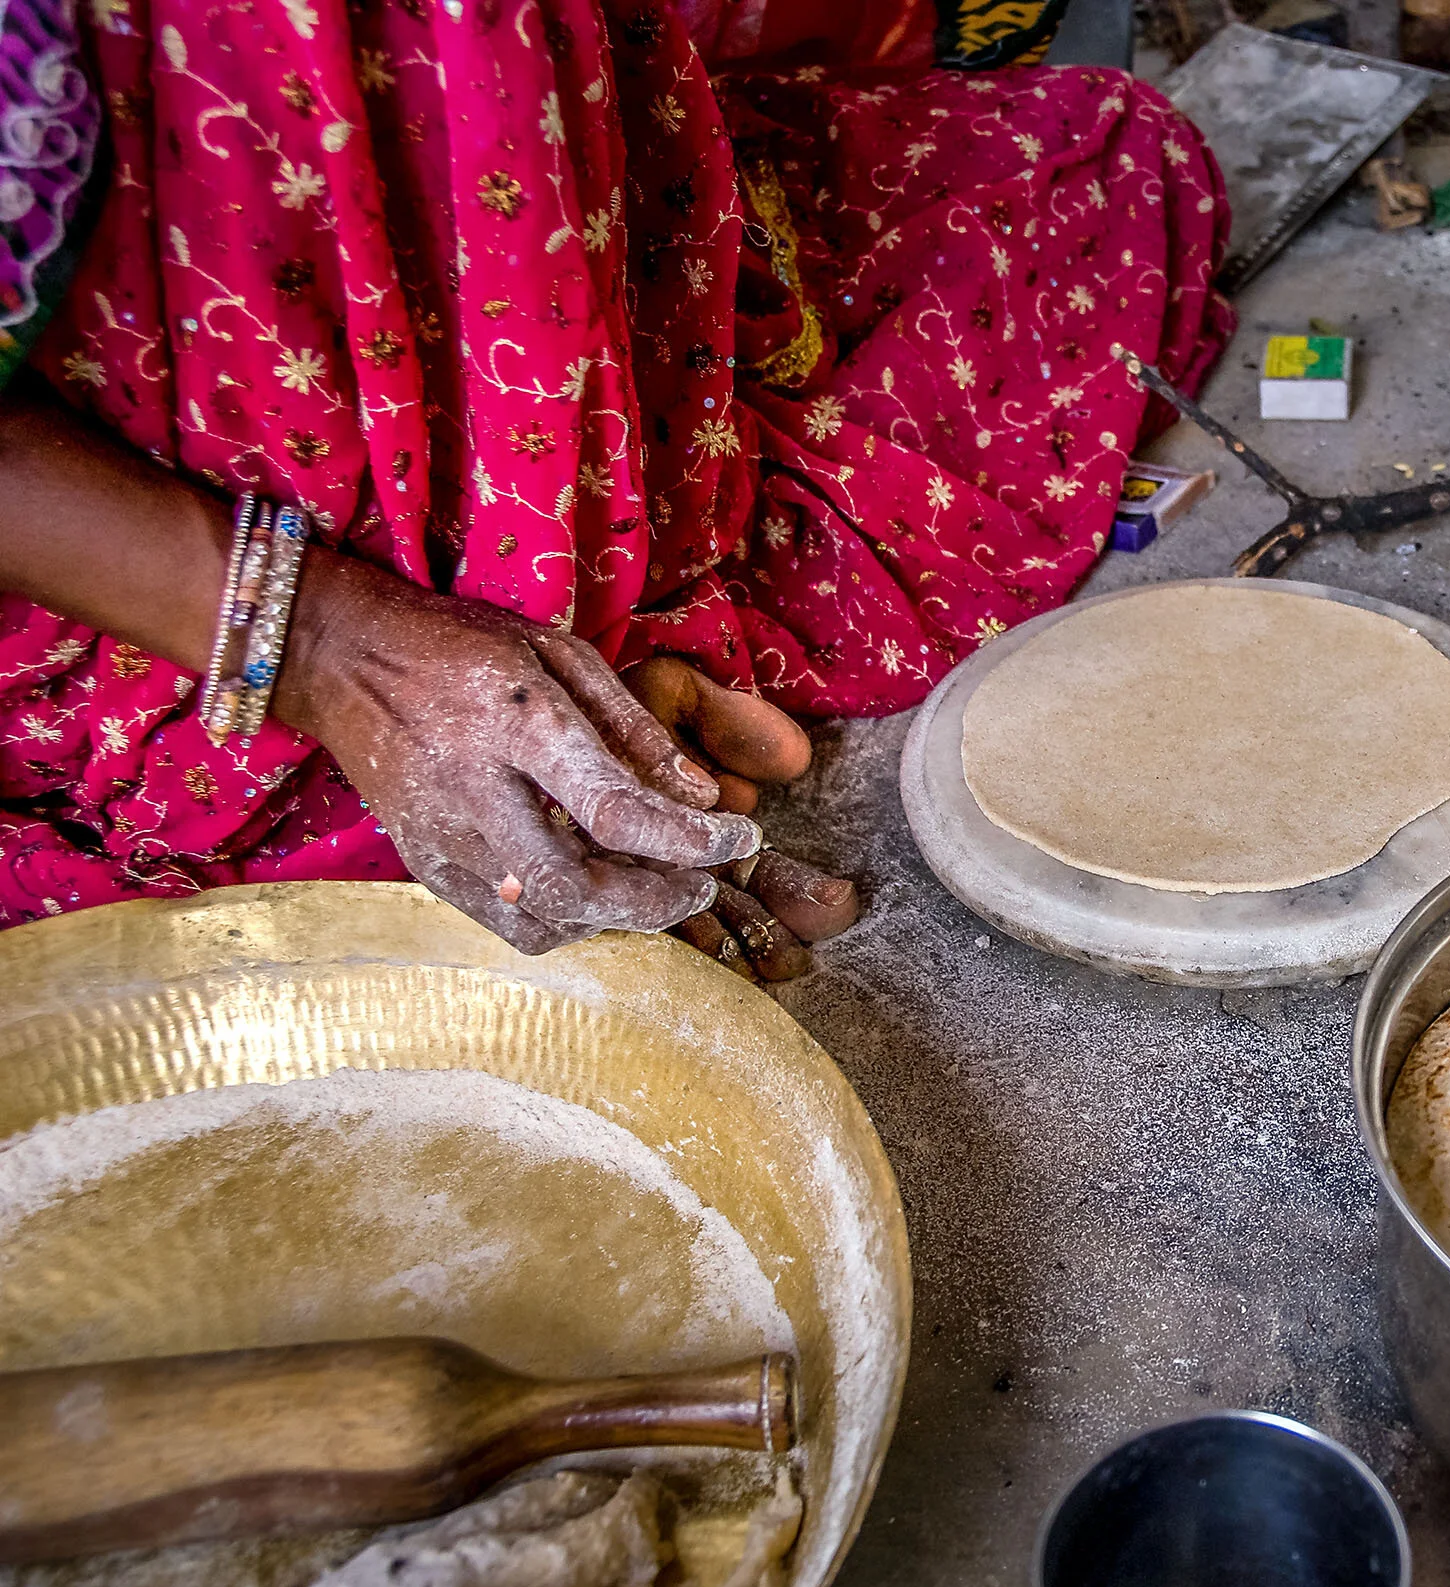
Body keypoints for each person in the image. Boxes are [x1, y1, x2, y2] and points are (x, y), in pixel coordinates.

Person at [0, 0, 1231, 976]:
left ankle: (588, 624)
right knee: (334, 972)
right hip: (146, 463)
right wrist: (322, 642)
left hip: (487, 199)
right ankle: (453, 722)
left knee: (1094, 183)